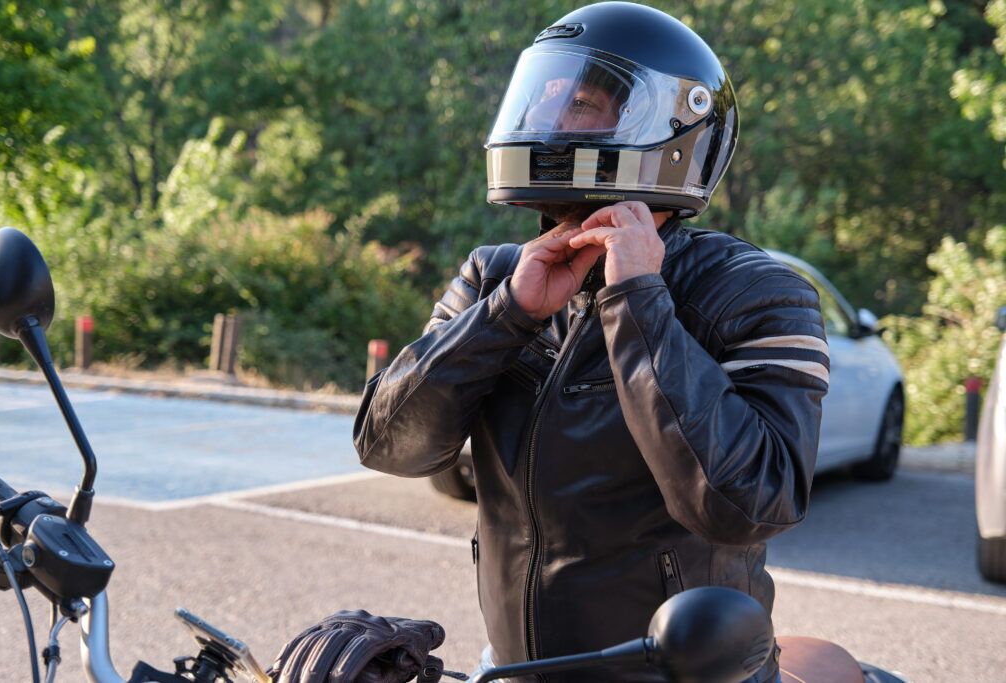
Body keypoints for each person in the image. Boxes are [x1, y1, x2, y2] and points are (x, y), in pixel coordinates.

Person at [281, 2, 831, 682]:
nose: (547, 119)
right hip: (512, 669)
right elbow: (389, 444)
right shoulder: (494, 275)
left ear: (670, 129)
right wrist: (508, 312)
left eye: (582, 102)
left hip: (679, 673)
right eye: (542, 96)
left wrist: (636, 301)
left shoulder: (756, 291)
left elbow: (747, 502)